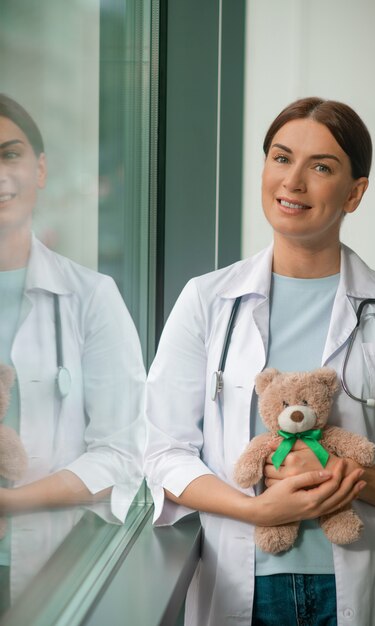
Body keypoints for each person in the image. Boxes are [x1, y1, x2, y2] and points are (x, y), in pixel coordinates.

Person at [144, 97, 375, 625]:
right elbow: (164, 451)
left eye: (321, 167)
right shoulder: (207, 300)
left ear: (355, 193)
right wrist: (256, 509)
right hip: (240, 585)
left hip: (360, 581)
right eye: (280, 157)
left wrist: (345, 470)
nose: (293, 181)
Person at [0, 94, 146, 604]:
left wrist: (10, 504)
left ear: (40, 170)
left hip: (53, 563)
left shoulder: (90, 298)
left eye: (10, 154)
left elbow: (121, 453)